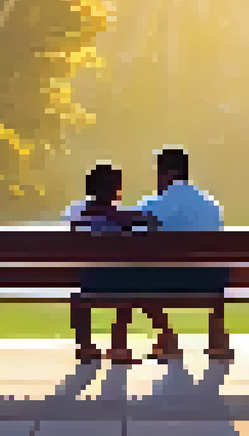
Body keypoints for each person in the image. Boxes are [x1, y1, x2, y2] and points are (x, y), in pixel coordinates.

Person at [119, 146, 232, 362]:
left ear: (168, 174)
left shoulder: (157, 204)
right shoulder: (212, 205)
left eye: (158, 174)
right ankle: (218, 337)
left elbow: (132, 224)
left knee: (133, 278)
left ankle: (167, 336)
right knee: (215, 269)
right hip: (211, 281)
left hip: (170, 281)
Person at [63, 162, 161, 364]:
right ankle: (118, 345)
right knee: (130, 281)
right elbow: (152, 224)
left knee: (84, 290)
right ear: (117, 190)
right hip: (119, 282)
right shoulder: (127, 217)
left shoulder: (76, 213)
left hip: (86, 280)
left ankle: (86, 346)